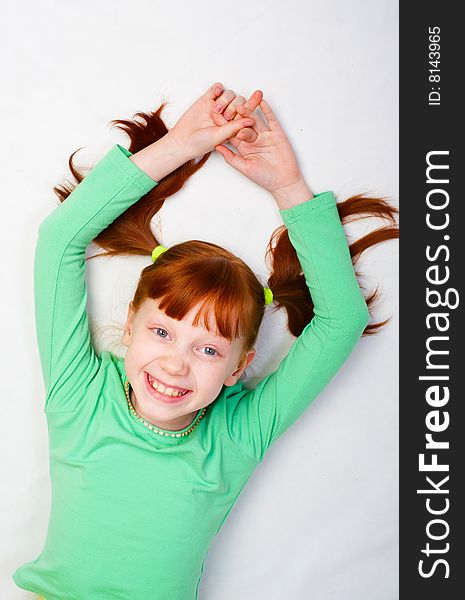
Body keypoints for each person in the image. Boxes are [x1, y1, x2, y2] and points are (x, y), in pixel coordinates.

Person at [12, 82, 398, 599]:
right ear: (130, 328)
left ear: (239, 368)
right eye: (162, 332)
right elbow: (60, 239)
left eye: (209, 349)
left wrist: (288, 185)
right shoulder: (79, 392)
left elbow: (340, 321)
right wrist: (178, 146)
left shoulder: (237, 432)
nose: (175, 365)